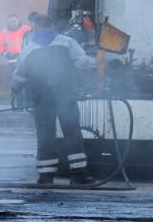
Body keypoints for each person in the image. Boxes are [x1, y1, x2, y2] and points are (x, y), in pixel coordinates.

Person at [11, 15, 96, 185]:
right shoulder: (67, 42)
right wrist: (99, 62)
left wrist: (15, 92)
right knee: (72, 133)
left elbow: (19, 78)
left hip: (42, 100)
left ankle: (46, 176)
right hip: (65, 97)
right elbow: (82, 62)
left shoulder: (30, 49)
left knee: (45, 136)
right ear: (52, 26)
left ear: (36, 28)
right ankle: (78, 175)